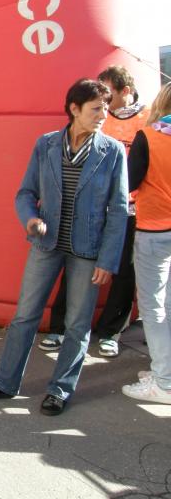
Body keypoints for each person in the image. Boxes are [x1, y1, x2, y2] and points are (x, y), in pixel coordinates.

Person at [0, 78, 128, 416]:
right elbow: (26, 193)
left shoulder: (113, 151)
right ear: (74, 109)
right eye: (96, 108)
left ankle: (60, 390)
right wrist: (30, 219)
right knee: (25, 316)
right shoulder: (46, 145)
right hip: (46, 244)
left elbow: (118, 211)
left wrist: (108, 260)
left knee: (77, 324)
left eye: (105, 107)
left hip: (89, 251)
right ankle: (4, 382)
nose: (103, 114)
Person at [40, 66, 147, 357]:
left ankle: (110, 332)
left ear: (125, 91)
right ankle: (60, 328)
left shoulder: (147, 119)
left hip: (131, 209)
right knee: (74, 263)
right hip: (92, 207)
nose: (103, 106)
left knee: (122, 271)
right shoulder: (97, 117)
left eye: (109, 95)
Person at [121, 82, 171, 404]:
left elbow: (129, 180)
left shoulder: (149, 136)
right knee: (168, 306)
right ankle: (165, 372)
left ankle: (164, 383)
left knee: (153, 308)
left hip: (154, 230)